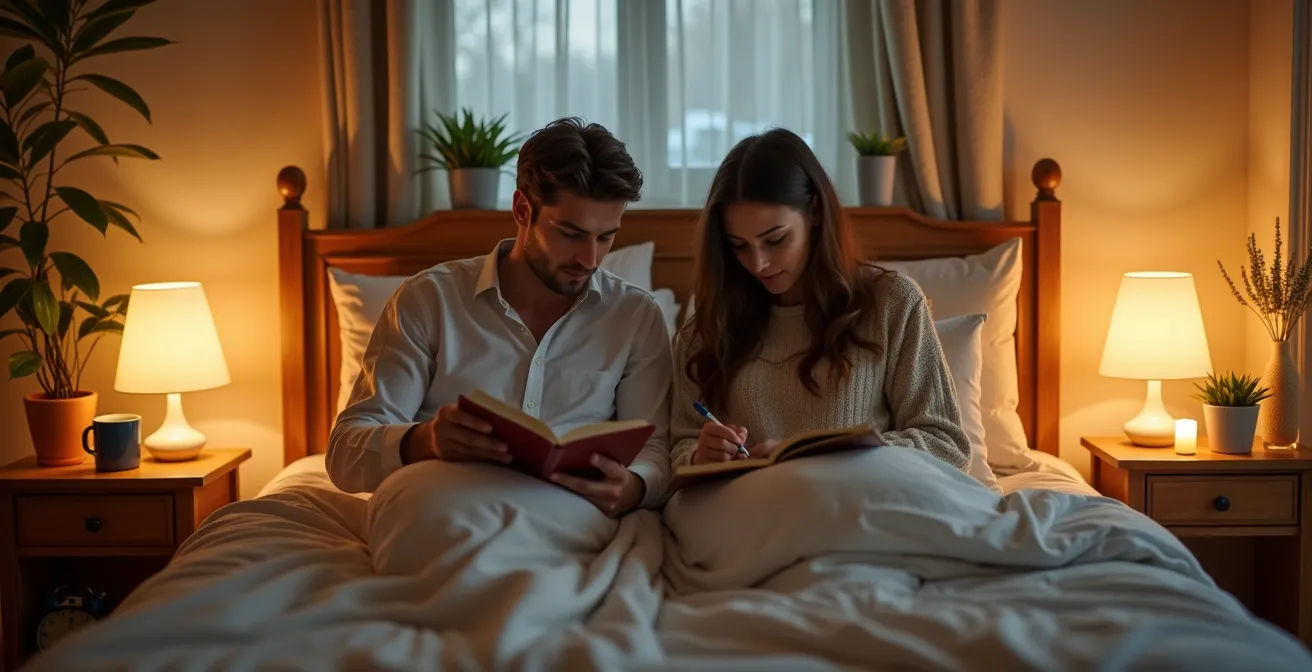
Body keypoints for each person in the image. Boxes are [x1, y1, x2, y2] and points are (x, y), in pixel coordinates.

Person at [327, 117, 672, 518]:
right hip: (445, 510)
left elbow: (654, 449)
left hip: (569, 521)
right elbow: (345, 453)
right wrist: (426, 441)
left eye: (606, 237)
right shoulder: (428, 300)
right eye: (571, 233)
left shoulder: (635, 317)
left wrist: (633, 487)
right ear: (522, 209)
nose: (590, 259)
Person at [669, 128, 971, 472]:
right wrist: (699, 455)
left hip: (855, 499)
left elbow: (946, 445)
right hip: (751, 503)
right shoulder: (706, 331)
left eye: (775, 240)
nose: (758, 263)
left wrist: (822, 457)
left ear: (814, 211)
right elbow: (679, 447)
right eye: (739, 246)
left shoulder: (892, 304)